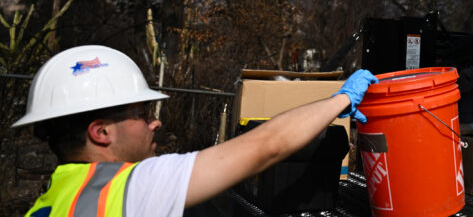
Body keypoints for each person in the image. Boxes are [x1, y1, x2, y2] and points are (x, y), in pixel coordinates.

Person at [12, 44, 377, 216]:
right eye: (141, 113)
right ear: (101, 132)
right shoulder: (130, 190)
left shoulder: (49, 203)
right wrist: (341, 100)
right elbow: (269, 145)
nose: (154, 122)